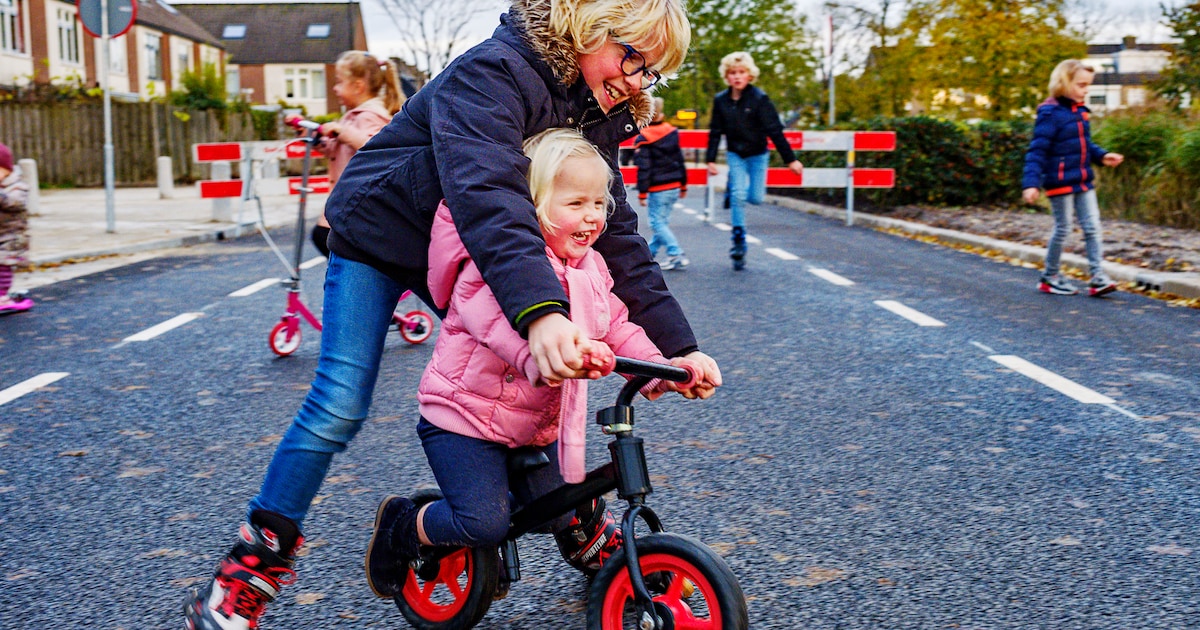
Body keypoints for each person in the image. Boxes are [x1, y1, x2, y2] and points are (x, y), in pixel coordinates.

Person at [184, 1, 722, 628]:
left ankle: (564, 511)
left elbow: (618, 237)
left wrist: (677, 349)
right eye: (633, 58)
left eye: (652, 72)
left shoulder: (597, 107)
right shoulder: (492, 73)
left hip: (468, 248)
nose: (638, 81)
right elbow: (489, 197)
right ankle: (257, 562)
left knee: (517, 374)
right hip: (383, 236)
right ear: (591, 29)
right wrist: (542, 312)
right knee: (340, 402)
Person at [365, 128, 701, 597]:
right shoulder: (494, 263)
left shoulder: (591, 268)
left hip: (528, 427)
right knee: (482, 521)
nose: (592, 218)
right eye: (575, 204)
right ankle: (405, 524)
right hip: (463, 419)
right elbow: (498, 327)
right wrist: (545, 356)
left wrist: (663, 367)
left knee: (557, 510)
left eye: (600, 204)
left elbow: (618, 324)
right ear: (535, 204)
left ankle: (562, 540)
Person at [1022, 59, 1123, 298]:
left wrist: (1102, 156)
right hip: (1059, 181)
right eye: (1081, 85)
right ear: (1063, 83)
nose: (1085, 90)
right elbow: (1037, 151)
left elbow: (1083, 144)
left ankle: (1098, 277)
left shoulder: (1079, 112)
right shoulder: (1051, 113)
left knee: (1093, 228)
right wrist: (1031, 184)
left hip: (1083, 179)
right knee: (1063, 228)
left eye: (1088, 85)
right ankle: (1050, 276)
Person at [705, 51, 804, 270]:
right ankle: (739, 241)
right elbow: (715, 131)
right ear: (727, 76)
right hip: (736, 154)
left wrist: (791, 160)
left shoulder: (760, 99)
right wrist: (710, 159)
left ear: (750, 75)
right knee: (739, 196)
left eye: (741, 72)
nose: (737, 77)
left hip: (758, 154)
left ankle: (735, 191)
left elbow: (775, 131)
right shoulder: (721, 101)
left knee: (756, 198)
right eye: (732, 73)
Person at [309, 51, 404, 257]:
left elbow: (375, 147)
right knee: (327, 240)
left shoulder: (371, 116)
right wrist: (316, 139)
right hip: (346, 200)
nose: (335, 88)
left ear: (358, 86)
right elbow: (336, 148)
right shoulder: (351, 116)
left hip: (359, 202)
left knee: (327, 239)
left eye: (339, 82)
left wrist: (342, 131)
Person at [633, 96, 689, 270]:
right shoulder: (672, 132)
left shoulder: (644, 138)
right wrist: (684, 184)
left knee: (656, 223)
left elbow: (644, 168)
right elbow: (680, 159)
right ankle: (648, 255)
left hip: (657, 188)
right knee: (662, 223)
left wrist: (642, 192)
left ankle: (676, 253)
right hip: (674, 186)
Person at [0, 142, 32, 315]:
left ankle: (2, 296)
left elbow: (15, 202)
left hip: (11, 237)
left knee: (3, 265)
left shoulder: (17, 186)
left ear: (7, 169)